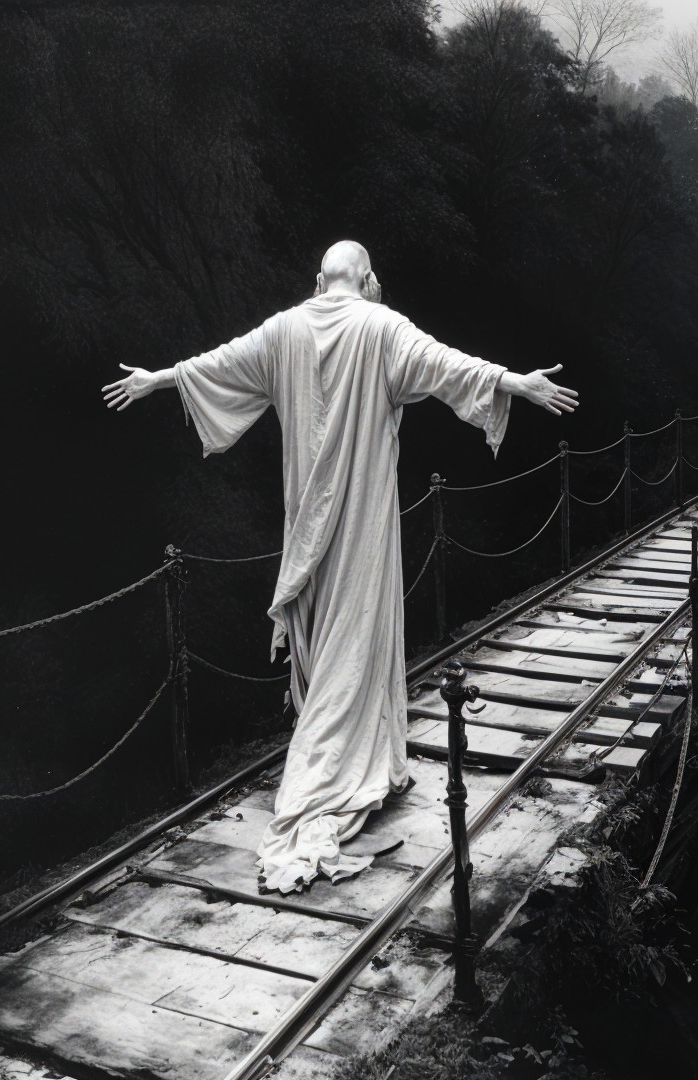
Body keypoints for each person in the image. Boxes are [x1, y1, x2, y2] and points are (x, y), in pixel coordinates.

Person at [102, 241, 578, 892]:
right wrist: (510, 382)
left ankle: (329, 762)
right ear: (370, 278)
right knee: (355, 639)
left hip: (306, 529)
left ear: (319, 278)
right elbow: (443, 365)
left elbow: (223, 361)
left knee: (328, 644)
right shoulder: (382, 328)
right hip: (360, 530)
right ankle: (327, 778)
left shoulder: (285, 329)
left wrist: (159, 378)